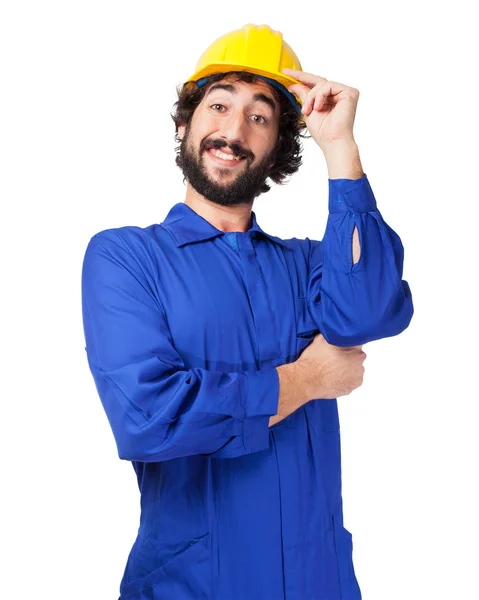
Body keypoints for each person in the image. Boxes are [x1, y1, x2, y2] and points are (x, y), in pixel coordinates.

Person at [81, 23, 414, 600]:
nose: (232, 131)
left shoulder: (308, 265)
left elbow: (368, 311)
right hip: (195, 586)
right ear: (185, 125)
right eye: (217, 106)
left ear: (279, 147)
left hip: (319, 581)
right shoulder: (126, 258)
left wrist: (340, 148)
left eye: (260, 116)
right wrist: (309, 380)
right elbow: (152, 420)